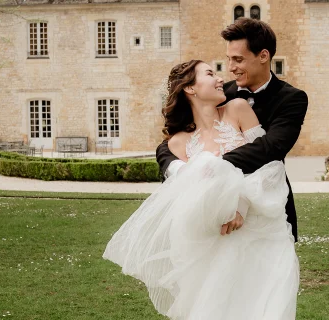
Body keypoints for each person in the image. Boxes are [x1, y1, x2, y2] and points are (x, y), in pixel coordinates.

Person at [103, 60, 299, 319]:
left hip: (262, 234)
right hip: (214, 244)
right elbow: (187, 198)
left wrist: (240, 204)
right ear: (190, 89)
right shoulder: (177, 144)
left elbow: (270, 166)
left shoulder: (238, 109)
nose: (220, 78)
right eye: (210, 73)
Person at [156, 17, 308, 240]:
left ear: (263, 56)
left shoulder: (292, 98)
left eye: (238, 60)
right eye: (229, 59)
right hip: (215, 215)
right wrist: (180, 169)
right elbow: (171, 143)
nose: (230, 68)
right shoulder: (219, 92)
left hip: (266, 206)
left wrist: (213, 165)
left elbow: (272, 147)